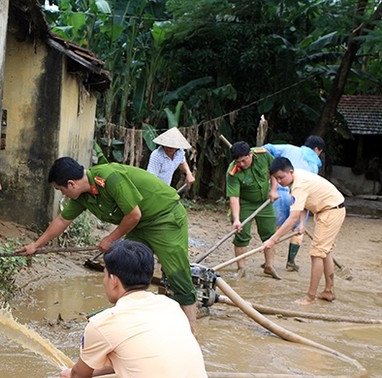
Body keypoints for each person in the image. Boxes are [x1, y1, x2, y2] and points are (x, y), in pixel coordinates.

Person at [16, 157, 198, 333]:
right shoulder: (82, 197)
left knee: (177, 273)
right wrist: (36, 245)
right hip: (140, 224)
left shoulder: (109, 178)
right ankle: (130, 324)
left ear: (71, 184)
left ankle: (192, 333)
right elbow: (62, 220)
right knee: (125, 268)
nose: (63, 194)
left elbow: (134, 214)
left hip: (164, 217)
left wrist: (110, 239)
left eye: (60, 190)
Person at [59, 240, 207, 378]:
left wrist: (70, 374)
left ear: (113, 281)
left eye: (104, 275)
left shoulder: (102, 324)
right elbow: (137, 357)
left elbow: (79, 375)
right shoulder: (171, 306)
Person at [263, 157, 345, 305]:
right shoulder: (296, 178)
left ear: (290, 172)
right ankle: (328, 291)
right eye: (276, 178)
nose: (279, 181)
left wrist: (273, 240)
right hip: (327, 210)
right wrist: (302, 224)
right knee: (324, 251)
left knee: (317, 253)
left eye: (281, 177)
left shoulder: (299, 185)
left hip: (331, 210)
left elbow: (292, 217)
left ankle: (310, 297)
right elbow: (303, 204)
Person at [263, 135, 325, 271]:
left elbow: (266, 148)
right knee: (298, 230)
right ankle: (291, 262)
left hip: (279, 194)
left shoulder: (289, 148)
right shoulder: (314, 164)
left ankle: (269, 261)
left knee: (276, 228)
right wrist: (303, 223)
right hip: (299, 197)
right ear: (316, 149)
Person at [226, 141, 280, 279]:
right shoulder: (232, 172)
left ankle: (269, 266)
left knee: (269, 234)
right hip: (245, 204)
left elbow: (274, 171)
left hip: (265, 202)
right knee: (241, 235)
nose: (242, 165)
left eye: (244, 161)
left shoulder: (263, 155)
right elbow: (234, 197)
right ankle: (241, 268)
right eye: (239, 162)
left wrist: (274, 190)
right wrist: (237, 218)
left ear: (250, 154)